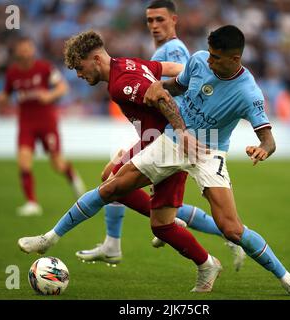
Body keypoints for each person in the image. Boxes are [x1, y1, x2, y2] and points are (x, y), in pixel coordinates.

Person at [18, 26, 290, 297]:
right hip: (172, 141)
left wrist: (262, 149)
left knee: (232, 229)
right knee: (113, 188)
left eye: (216, 58)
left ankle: (289, 280)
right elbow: (177, 84)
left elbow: (269, 139)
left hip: (208, 153)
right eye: (209, 54)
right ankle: (50, 238)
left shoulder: (248, 93)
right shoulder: (199, 60)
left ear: (235, 57)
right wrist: (160, 87)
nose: (209, 61)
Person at [75, 0, 246, 271]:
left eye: (160, 20)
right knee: (119, 182)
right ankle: (114, 243)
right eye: (150, 20)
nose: (154, 25)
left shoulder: (174, 49)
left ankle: (230, 236)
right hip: (156, 133)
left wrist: (176, 135)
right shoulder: (161, 50)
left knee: (117, 182)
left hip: (168, 136)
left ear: (174, 21)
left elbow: (176, 94)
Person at [0, 37, 85, 216]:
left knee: (57, 164)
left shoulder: (44, 68)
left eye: (28, 49)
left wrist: (49, 96)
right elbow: (6, 95)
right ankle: (32, 203)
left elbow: (62, 87)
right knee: (24, 162)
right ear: (17, 52)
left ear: (32, 50)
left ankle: (71, 174)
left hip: (47, 122)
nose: (25, 52)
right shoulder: (12, 73)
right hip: (26, 123)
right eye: (22, 49)